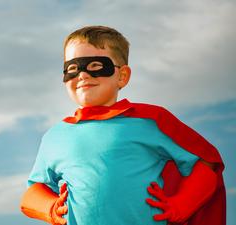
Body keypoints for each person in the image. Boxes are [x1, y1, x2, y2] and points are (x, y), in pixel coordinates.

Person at [19, 25, 226, 225]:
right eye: (72, 68)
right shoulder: (55, 137)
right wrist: (51, 207)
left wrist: (181, 206)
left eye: (95, 66)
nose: (82, 75)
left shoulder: (150, 120)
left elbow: (206, 162)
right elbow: (33, 191)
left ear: (122, 76)